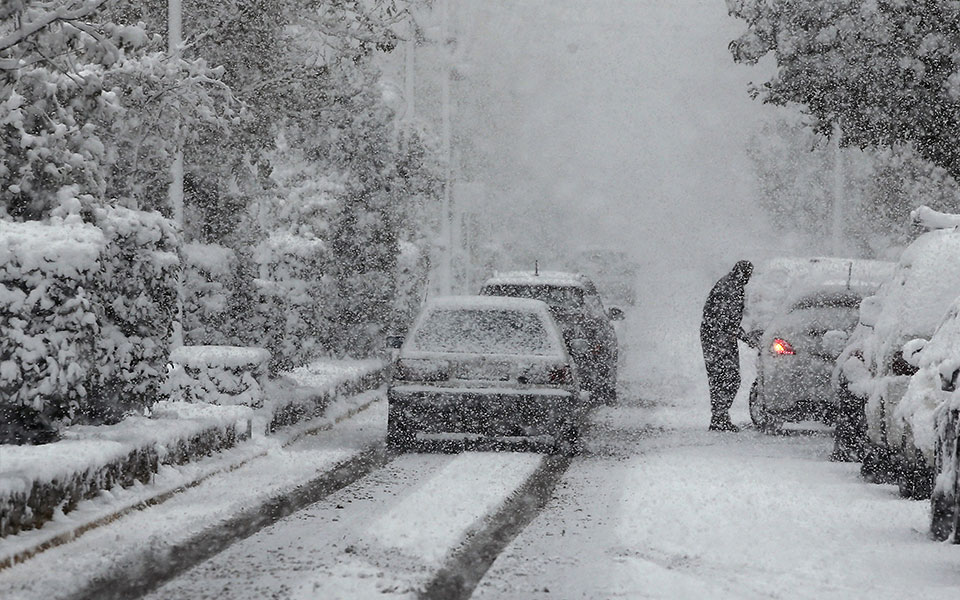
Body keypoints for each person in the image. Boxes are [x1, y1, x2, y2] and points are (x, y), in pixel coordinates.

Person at [701, 260, 754, 432]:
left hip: (717, 337)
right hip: (717, 339)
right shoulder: (730, 288)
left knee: (721, 378)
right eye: (748, 275)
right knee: (728, 378)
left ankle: (719, 417)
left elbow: (727, 320)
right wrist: (745, 338)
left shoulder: (731, 284)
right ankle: (719, 417)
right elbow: (725, 321)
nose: (749, 279)